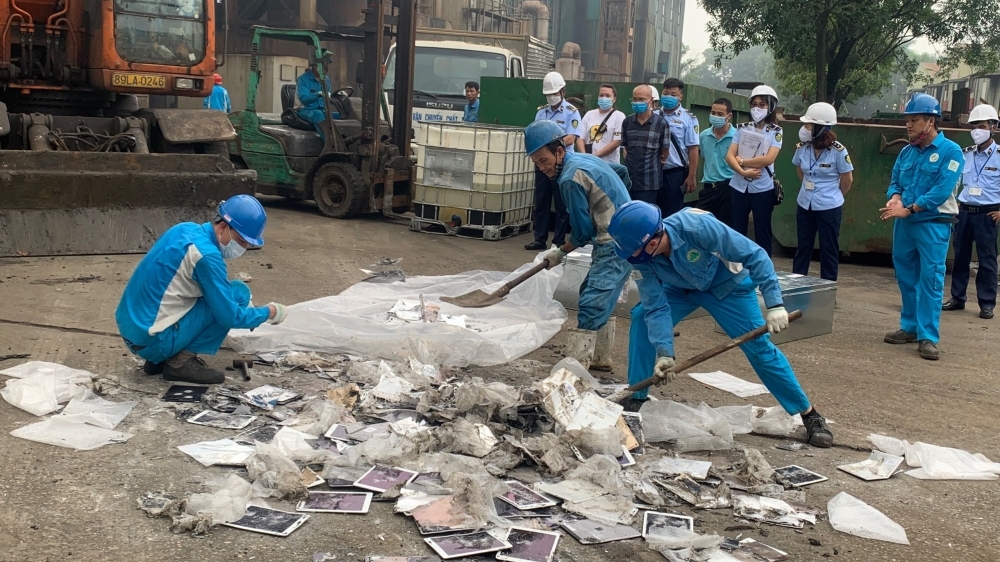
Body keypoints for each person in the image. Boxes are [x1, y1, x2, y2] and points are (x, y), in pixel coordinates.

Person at [608, 201, 833, 446]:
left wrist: (775, 304)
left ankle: (809, 414)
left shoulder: (697, 227)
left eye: (633, 253)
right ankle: (636, 397)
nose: (631, 259)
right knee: (642, 317)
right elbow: (655, 306)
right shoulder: (640, 255)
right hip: (679, 288)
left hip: (728, 288)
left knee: (760, 348)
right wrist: (665, 352)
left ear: (651, 243)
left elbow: (754, 255)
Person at [115, 195, 288, 384]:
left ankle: (159, 360)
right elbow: (229, 316)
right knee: (237, 293)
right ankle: (179, 364)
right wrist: (268, 312)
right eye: (241, 241)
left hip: (133, 331)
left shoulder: (183, 229)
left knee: (216, 296)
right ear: (222, 227)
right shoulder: (207, 256)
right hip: (153, 340)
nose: (243, 247)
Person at [524, 120, 633, 370]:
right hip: (626, 237)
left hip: (614, 244)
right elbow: (621, 172)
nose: (542, 168)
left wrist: (559, 253)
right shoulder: (585, 159)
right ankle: (600, 359)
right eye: (537, 163)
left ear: (559, 151)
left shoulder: (568, 180)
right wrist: (622, 203)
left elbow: (582, 232)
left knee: (592, 302)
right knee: (597, 295)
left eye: (544, 160)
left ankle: (575, 369)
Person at [879, 93, 963, 361]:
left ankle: (928, 336)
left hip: (932, 225)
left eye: (914, 120)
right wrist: (894, 198)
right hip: (905, 224)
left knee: (931, 279)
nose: (908, 125)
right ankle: (911, 327)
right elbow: (895, 181)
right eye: (907, 120)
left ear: (931, 121)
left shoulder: (951, 152)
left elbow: (941, 191)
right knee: (905, 275)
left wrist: (910, 208)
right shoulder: (907, 152)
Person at [942, 103, 1000, 320]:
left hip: (988, 214)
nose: (977, 130)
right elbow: (956, 182)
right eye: (974, 126)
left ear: (993, 127)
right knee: (960, 257)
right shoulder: (965, 155)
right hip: (964, 212)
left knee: (987, 261)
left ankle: (986, 303)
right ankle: (957, 298)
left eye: (982, 125)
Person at [791, 102, 854, 281]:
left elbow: (847, 179)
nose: (804, 129)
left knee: (829, 250)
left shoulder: (838, 151)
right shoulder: (802, 148)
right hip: (805, 204)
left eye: (808, 125)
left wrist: (834, 196)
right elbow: (800, 171)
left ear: (820, 127)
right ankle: (796, 287)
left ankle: (827, 291)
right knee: (803, 247)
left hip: (829, 207)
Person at [524, 72, 584, 251]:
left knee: (561, 204)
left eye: (555, 93)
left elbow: (571, 138)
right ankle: (539, 238)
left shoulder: (571, 112)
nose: (552, 97)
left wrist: (549, 147)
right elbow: (535, 134)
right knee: (541, 200)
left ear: (563, 91)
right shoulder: (541, 112)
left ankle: (558, 242)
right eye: (548, 94)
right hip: (542, 163)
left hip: (561, 163)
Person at [726, 85, 783, 256]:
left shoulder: (776, 132)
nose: (757, 108)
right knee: (737, 229)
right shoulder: (742, 128)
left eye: (762, 105)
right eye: (754, 104)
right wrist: (743, 172)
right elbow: (729, 156)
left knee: (763, 230)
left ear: (770, 107)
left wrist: (742, 161)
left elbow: (769, 159)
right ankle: (736, 266)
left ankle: (764, 268)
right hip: (739, 185)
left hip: (762, 187)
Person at [621, 85, 670, 206]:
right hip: (629, 180)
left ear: (651, 100)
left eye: (642, 99)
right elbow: (627, 148)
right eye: (635, 99)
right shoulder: (627, 122)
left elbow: (665, 152)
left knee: (645, 216)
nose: (638, 102)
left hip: (650, 182)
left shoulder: (661, 123)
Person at [659, 78, 700, 216]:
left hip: (674, 173)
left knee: (672, 214)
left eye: (673, 94)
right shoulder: (652, 115)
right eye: (666, 93)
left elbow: (693, 149)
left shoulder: (689, 118)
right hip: (653, 172)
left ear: (680, 96)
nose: (668, 97)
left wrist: (692, 176)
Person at [696, 97, 736, 227]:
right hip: (708, 188)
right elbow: (704, 157)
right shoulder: (703, 136)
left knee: (726, 226)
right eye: (713, 113)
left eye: (720, 114)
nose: (715, 116)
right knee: (700, 224)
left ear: (728, 116)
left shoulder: (737, 136)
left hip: (728, 188)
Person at [580, 83, 626, 164]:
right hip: (588, 163)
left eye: (608, 96)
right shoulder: (589, 115)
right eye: (601, 95)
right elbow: (580, 138)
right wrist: (584, 156)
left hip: (609, 164)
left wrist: (595, 156)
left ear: (614, 99)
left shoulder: (619, 116)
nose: (604, 98)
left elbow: (616, 142)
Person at [296, 62, 334, 139]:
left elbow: (327, 99)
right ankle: (329, 145)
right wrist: (317, 94)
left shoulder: (326, 79)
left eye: (326, 65)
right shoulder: (303, 79)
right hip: (305, 110)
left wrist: (337, 97)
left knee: (342, 116)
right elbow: (303, 99)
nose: (325, 68)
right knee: (318, 115)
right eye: (322, 65)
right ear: (314, 66)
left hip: (322, 110)